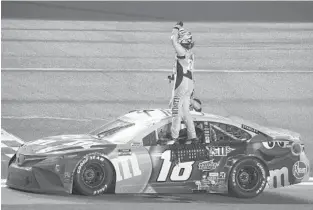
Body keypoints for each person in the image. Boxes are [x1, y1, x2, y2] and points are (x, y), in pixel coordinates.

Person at [168, 21, 198, 144]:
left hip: (181, 83)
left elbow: (172, 40)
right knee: (186, 111)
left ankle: (174, 137)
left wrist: (176, 28)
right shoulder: (190, 54)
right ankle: (193, 136)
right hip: (189, 82)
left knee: (175, 110)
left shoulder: (181, 51)